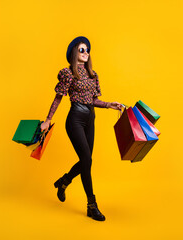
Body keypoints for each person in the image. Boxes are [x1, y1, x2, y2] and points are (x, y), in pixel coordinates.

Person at [40, 36, 122, 221]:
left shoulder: (93, 75)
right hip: (75, 118)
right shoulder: (68, 73)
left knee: (87, 161)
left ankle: (64, 181)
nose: (86, 53)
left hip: (90, 118)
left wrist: (109, 104)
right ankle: (92, 205)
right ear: (74, 53)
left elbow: (93, 100)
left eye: (87, 50)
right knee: (86, 159)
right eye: (82, 50)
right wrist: (47, 119)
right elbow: (59, 97)